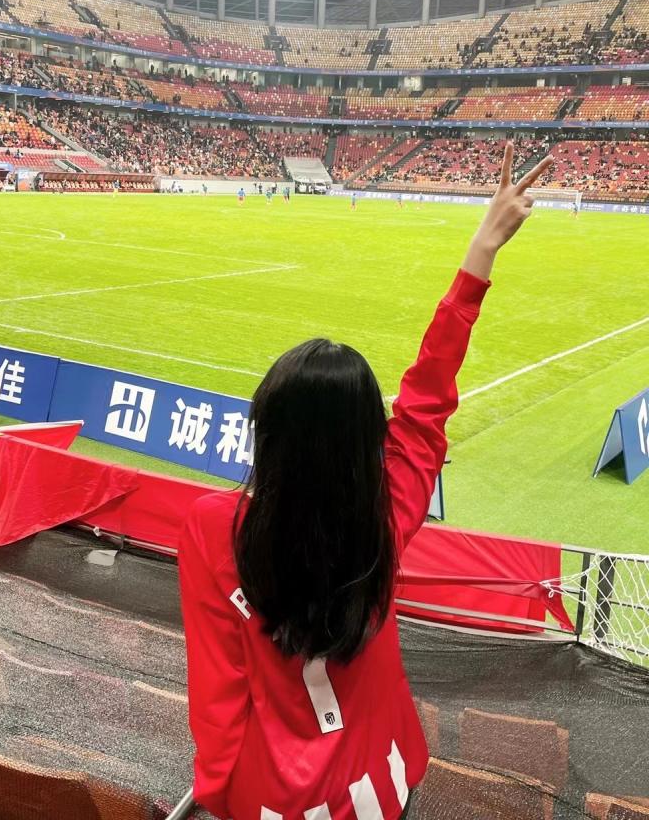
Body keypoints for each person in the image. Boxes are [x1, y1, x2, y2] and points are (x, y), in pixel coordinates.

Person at [180, 142, 554, 820]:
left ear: (269, 433)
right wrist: (482, 250)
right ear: (365, 445)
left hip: (271, 800)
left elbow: (218, 693)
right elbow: (426, 401)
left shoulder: (212, 528)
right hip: (382, 782)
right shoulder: (386, 517)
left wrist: (220, 793)